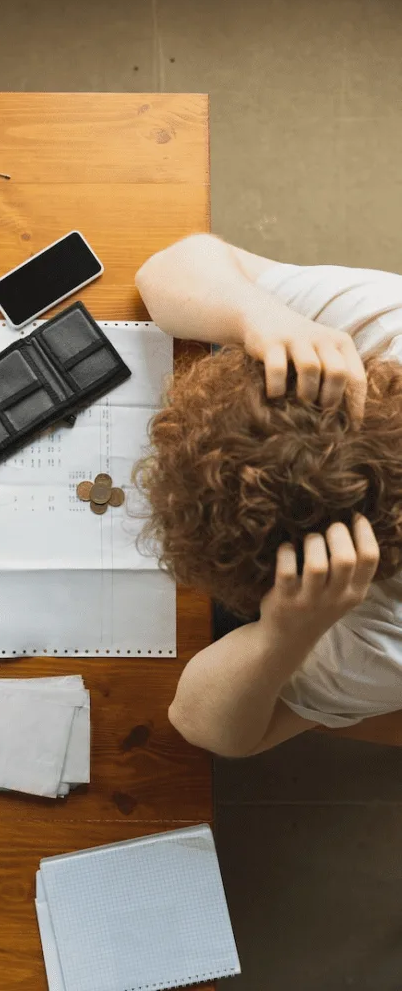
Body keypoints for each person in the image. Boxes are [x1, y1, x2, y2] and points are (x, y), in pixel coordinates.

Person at [134, 233, 402, 757]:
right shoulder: (384, 334)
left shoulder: (385, 642)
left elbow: (202, 724)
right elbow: (161, 272)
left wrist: (283, 636)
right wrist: (259, 313)